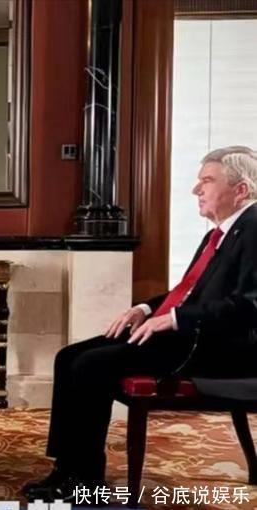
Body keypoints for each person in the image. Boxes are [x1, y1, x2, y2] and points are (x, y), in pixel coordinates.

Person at [22, 146, 257, 503]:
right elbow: (190, 290)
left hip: (218, 350)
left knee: (90, 365)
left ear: (240, 189)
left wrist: (175, 318)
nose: (196, 189)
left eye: (207, 181)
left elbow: (250, 306)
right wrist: (146, 308)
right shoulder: (224, 232)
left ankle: (86, 481)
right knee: (68, 357)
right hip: (192, 337)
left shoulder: (254, 229)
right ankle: (67, 470)